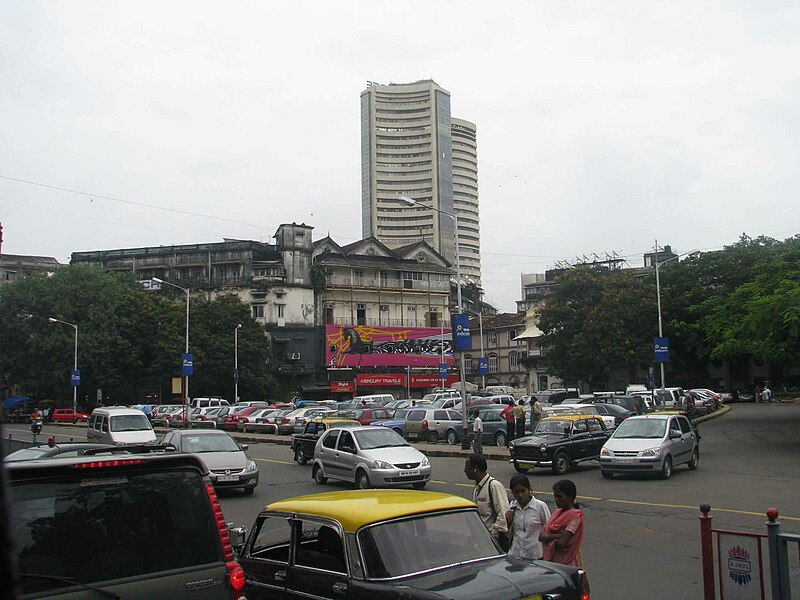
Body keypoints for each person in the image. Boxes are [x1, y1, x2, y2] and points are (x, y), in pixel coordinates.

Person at [464, 454, 509, 547]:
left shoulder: (494, 486)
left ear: (475, 469)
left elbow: (503, 512)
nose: (465, 471)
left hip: (490, 540)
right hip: (478, 538)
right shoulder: (477, 488)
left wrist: (493, 534)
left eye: (467, 467)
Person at [504, 474, 551, 560]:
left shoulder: (540, 506)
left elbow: (548, 529)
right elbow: (511, 530)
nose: (520, 495)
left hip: (535, 555)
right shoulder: (512, 507)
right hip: (516, 554)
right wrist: (508, 520)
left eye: (523, 491)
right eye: (516, 492)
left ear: (529, 490)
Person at [539, 479, 585, 568]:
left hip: (567, 562)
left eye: (560, 496)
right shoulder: (557, 512)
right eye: (555, 496)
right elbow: (541, 536)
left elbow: (562, 543)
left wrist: (549, 537)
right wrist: (558, 535)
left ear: (570, 497)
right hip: (551, 560)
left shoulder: (575, 516)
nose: (556, 500)